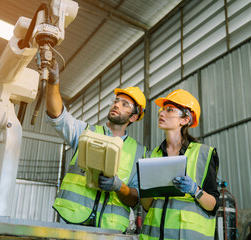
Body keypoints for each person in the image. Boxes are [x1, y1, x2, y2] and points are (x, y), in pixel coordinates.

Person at [45, 59, 147, 232]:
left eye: (125, 104)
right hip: (71, 222)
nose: (116, 105)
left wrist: (119, 186)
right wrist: (53, 83)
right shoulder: (85, 131)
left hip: (110, 230)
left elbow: (135, 199)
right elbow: (57, 115)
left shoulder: (139, 152)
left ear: (134, 117)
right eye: (116, 101)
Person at [140, 89, 219, 240]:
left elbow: (213, 205)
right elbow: (146, 205)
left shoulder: (204, 154)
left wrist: (195, 190)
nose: (161, 113)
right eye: (162, 110)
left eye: (169, 110)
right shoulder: (151, 155)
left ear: (185, 120)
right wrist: (146, 189)